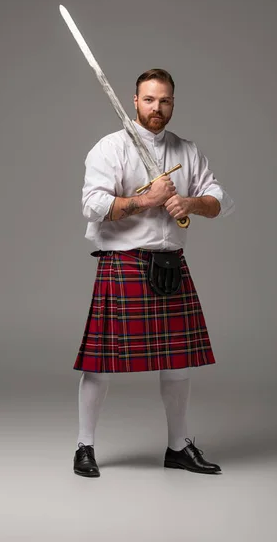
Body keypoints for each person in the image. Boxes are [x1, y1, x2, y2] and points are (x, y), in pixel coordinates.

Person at [73, 69, 235, 477]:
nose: (156, 108)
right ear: (134, 100)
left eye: (164, 100)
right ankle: (84, 446)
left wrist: (189, 204)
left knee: (178, 362)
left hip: (170, 262)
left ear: (173, 103)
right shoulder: (111, 148)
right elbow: (92, 205)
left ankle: (178, 447)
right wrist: (146, 200)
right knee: (101, 364)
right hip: (124, 261)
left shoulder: (187, 150)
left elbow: (218, 199)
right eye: (148, 99)